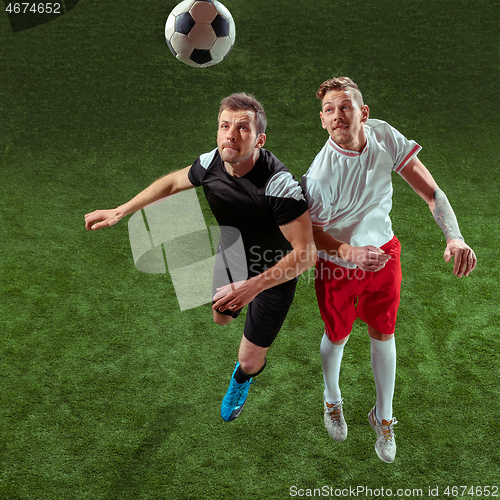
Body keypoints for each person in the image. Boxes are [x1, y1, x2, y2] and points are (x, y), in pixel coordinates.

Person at [85, 93, 316, 423]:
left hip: (274, 273)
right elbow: (171, 184)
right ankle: (235, 305)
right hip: (232, 253)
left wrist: (250, 288)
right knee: (220, 317)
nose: (230, 135)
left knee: (249, 360)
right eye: (224, 126)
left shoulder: (279, 186)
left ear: (260, 139)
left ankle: (241, 379)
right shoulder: (211, 163)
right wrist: (120, 211)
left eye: (242, 128)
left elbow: (306, 254)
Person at [300, 77, 476, 463]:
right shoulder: (320, 176)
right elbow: (310, 235)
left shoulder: (384, 137)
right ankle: (332, 399)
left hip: (384, 255)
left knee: (384, 333)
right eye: (329, 110)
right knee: (337, 336)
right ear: (322, 121)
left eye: (345, 106)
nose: (337, 115)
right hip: (338, 264)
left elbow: (431, 193)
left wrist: (455, 236)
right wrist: (350, 252)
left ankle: (383, 416)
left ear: (364, 113)